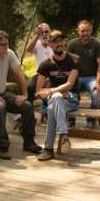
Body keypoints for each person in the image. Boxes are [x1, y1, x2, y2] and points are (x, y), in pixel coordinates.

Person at [0, 30, 42, 158]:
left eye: (7, 44)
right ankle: (3, 147)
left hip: (2, 93)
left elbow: (19, 73)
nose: (7, 47)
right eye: (3, 44)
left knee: (27, 106)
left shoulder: (8, 54)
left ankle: (29, 143)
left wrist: (24, 94)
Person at [35, 31, 79, 161]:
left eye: (61, 41)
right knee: (56, 98)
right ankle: (63, 135)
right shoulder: (45, 64)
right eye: (55, 41)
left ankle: (48, 149)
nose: (59, 44)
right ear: (49, 44)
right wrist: (54, 93)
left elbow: (70, 84)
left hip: (71, 98)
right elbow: (38, 90)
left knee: (52, 106)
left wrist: (50, 91)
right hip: (55, 99)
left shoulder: (73, 61)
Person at [67, 19, 100, 127]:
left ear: (91, 31)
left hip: (92, 77)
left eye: (87, 31)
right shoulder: (72, 44)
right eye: (83, 31)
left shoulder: (98, 44)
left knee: (97, 93)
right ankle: (70, 118)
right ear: (78, 31)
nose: (85, 33)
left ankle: (91, 119)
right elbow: (66, 63)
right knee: (68, 91)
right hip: (76, 77)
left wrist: (98, 82)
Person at [25, 23, 53, 121]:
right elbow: (28, 49)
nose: (44, 34)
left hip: (53, 75)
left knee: (49, 89)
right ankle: (28, 115)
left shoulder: (54, 44)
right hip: (39, 74)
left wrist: (50, 44)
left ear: (50, 33)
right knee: (29, 87)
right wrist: (37, 36)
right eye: (42, 32)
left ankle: (47, 113)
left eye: (46, 32)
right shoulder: (37, 43)